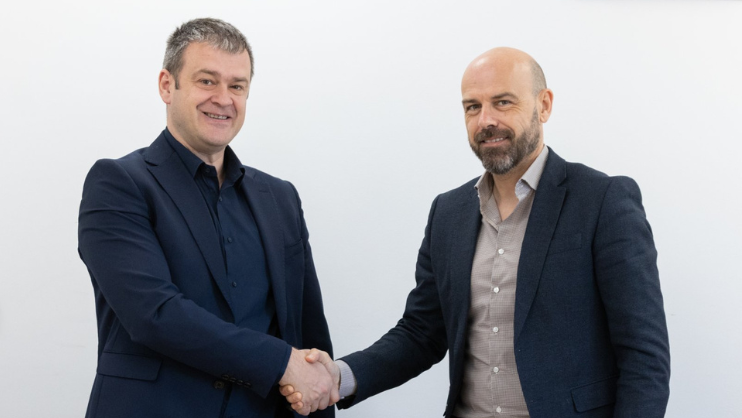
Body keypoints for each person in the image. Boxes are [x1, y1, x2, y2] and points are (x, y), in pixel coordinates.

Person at [282, 47, 671, 417]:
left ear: (544, 105)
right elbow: (421, 333)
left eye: (503, 102)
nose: (486, 120)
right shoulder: (448, 212)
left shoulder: (602, 201)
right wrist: (339, 376)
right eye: (473, 107)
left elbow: (644, 357)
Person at [78, 18, 337, 418]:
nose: (223, 99)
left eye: (237, 86)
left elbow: (307, 330)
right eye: (207, 81)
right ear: (167, 85)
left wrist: (316, 390)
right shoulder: (118, 183)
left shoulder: (280, 197)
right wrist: (280, 362)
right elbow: (154, 314)